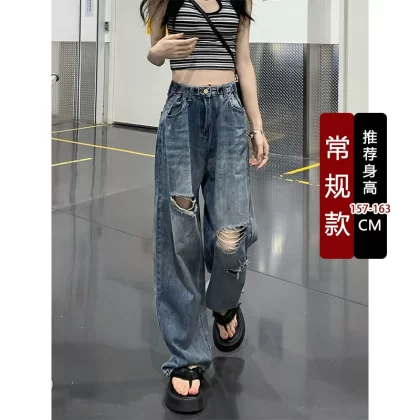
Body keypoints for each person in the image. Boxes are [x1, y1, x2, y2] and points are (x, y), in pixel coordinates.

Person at [140, 0, 269, 413]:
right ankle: (187, 355)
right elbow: (154, 52)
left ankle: (224, 301)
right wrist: (158, 51)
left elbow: (243, 61)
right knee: (179, 236)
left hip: (229, 114)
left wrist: (257, 125)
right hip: (182, 114)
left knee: (232, 233)